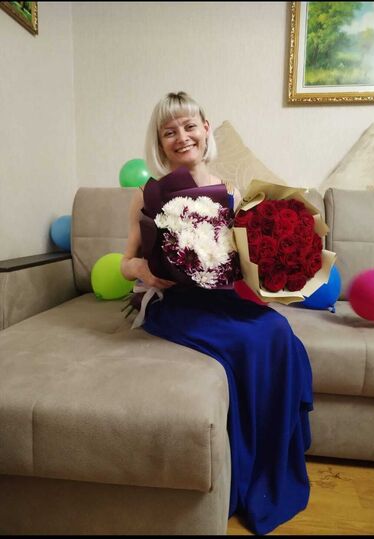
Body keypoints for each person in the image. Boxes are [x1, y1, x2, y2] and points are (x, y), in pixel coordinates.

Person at [121, 91, 313, 535]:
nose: (181, 137)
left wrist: (271, 278)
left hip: (222, 300)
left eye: (189, 126)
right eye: (169, 131)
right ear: (160, 141)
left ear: (206, 129)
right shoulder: (147, 193)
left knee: (277, 331)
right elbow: (124, 262)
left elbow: (240, 264)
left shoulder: (232, 191)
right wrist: (145, 271)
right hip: (177, 305)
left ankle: (270, 454)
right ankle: (245, 470)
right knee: (247, 341)